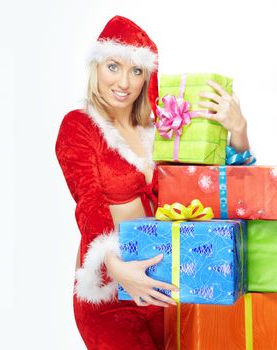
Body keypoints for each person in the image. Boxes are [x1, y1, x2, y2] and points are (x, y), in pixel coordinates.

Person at [55, 15, 250, 350]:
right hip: (112, 294)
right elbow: (89, 204)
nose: (124, 82)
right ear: (96, 66)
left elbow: (209, 185)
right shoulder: (79, 126)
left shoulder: (161, 130)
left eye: (136, 70)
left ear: (148, 76)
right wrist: (118, 269)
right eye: (114, 66)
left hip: (166, 286)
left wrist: (238, 130)